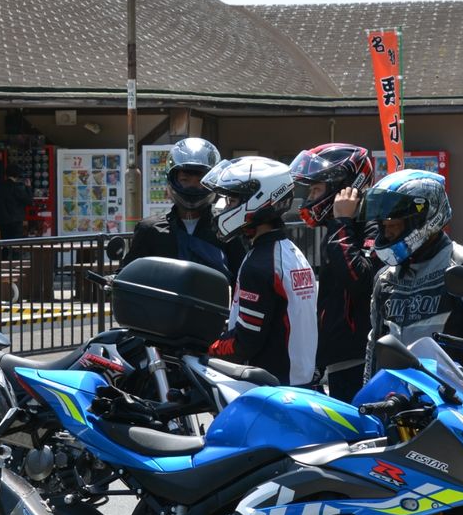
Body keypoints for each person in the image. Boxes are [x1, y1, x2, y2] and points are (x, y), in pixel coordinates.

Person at [364, 169, 463, 379]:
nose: (387, 233)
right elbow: (374, 345)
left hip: (452, 391)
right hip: (398, 393)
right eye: (384, 226)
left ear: (424, 219)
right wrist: (367, 390)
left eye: (394, 225)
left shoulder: (461, 265)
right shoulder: (386, 279)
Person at [202, 156, 317, 387]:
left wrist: (205, 349)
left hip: (271, 388)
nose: (225, 207)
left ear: (259, 199)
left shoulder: (260, 264)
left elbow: (245, 342)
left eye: (232, 200)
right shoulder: (291, 251)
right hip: (300, 381)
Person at [289, 143, 379, 400]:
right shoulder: (339, 229)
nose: (310, 198)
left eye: (316, 189)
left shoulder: (372, 226)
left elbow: (360, 280)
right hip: (337, 358)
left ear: (344, 188)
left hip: (360, 359)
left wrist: (342, 223)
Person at [121, 137, 245, 281]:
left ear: (212, 182)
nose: (192, 186)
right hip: (164, 296)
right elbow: (128, 275)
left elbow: (242, 278)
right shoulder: (149, 229)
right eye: (185, 180)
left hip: (213, 296)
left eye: (200, 181)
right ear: (172, 180)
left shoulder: (226, 226)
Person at [0, 163, 33, 241]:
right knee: (16, 243)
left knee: (5, 242)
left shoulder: (0, 187)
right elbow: (29, 201)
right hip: (16, 221)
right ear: (17, 175)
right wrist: (28, 187)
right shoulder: (17, 187)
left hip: (3, 220)